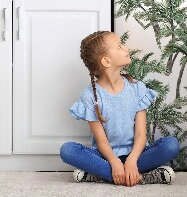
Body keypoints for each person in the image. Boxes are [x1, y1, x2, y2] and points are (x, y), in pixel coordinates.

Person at [60, 31, 180, 187]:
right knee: (67, 150)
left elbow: (141, 134)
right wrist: (114, 161)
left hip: (138, 154)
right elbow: (102, 141)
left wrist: (132, 160)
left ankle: (104, 175)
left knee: (171, 145)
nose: (126, 48)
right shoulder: (90, 96)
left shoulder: (137, 88)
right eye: (120, 46)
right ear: (106, 61)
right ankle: (142, 177)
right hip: (106, 156)